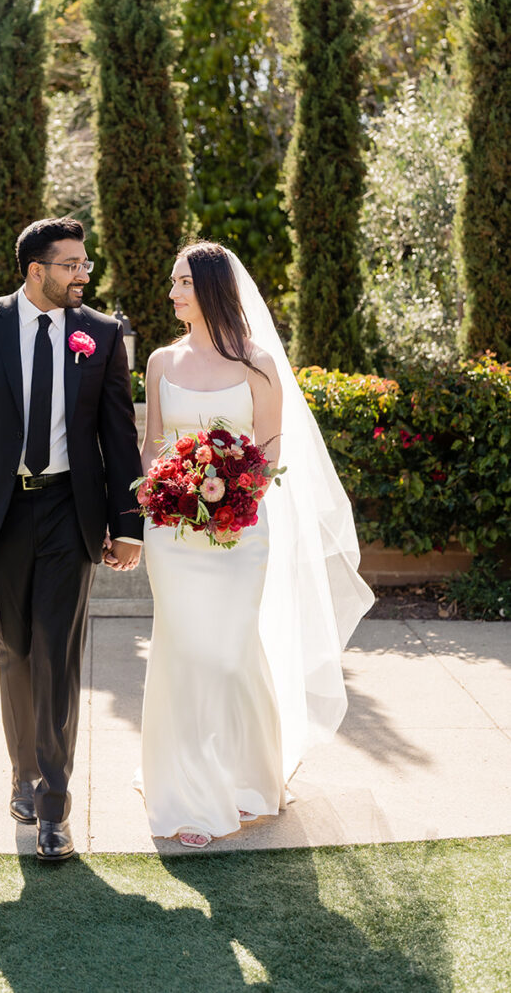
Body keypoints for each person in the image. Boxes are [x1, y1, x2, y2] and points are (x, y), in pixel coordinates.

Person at [138, 241, 374, 847]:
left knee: (227, 652)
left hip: (240, 532)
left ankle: (247, 779)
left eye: (184, 282)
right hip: (172, 532)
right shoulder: (161, 362)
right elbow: (153, 448)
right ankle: (190, 792)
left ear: (213, 288)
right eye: (173, 282)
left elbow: (270, 449)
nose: (173, 293)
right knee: (183, 650)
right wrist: (170, 490)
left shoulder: (258, 364)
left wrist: (232, 497)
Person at [0, 217, 143, 862]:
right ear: (37, 271)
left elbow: (118, 435)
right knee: (15, 647)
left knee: (57, 653)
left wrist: (128, 524)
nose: (85, 274)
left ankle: (55, 806)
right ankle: (22, 771)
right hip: (3, 515)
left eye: (86, 264)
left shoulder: (101, 335)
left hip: (69, 511)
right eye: (73, 264)